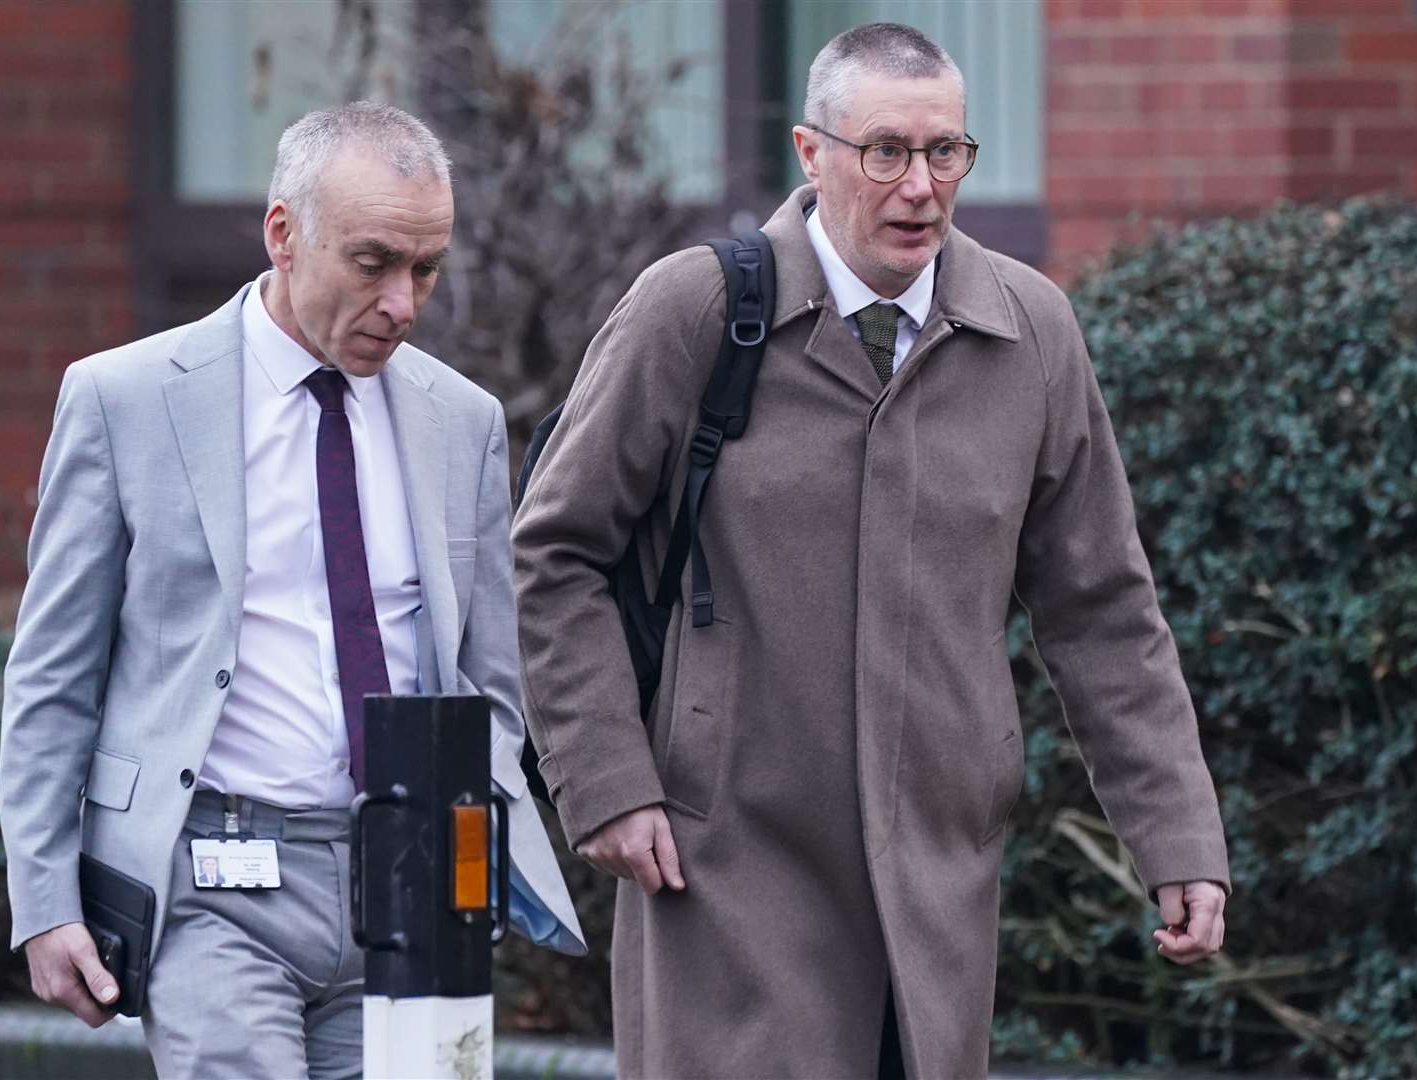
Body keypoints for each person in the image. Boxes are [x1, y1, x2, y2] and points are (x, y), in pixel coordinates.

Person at [512, 23, 1230, 1079]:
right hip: (725, 866)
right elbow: (557, 552)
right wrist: (608, 782)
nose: (920, 186)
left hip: (938, 879)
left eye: (946, 153)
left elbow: (1103, 610)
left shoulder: (1030, 332)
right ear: (813, 153)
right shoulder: (696, 310)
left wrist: (1177, 840)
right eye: (884, 151)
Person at [0, 101, 584, 1080]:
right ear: (283, 233)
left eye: (426, 268)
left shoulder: (463, 420)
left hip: (418, 881)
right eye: (373, 262)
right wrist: (47, 898)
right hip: (213, 881)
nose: (403, 301)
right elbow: (53, 675)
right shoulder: (126, 400)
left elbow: (490, 675)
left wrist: (474, 851)